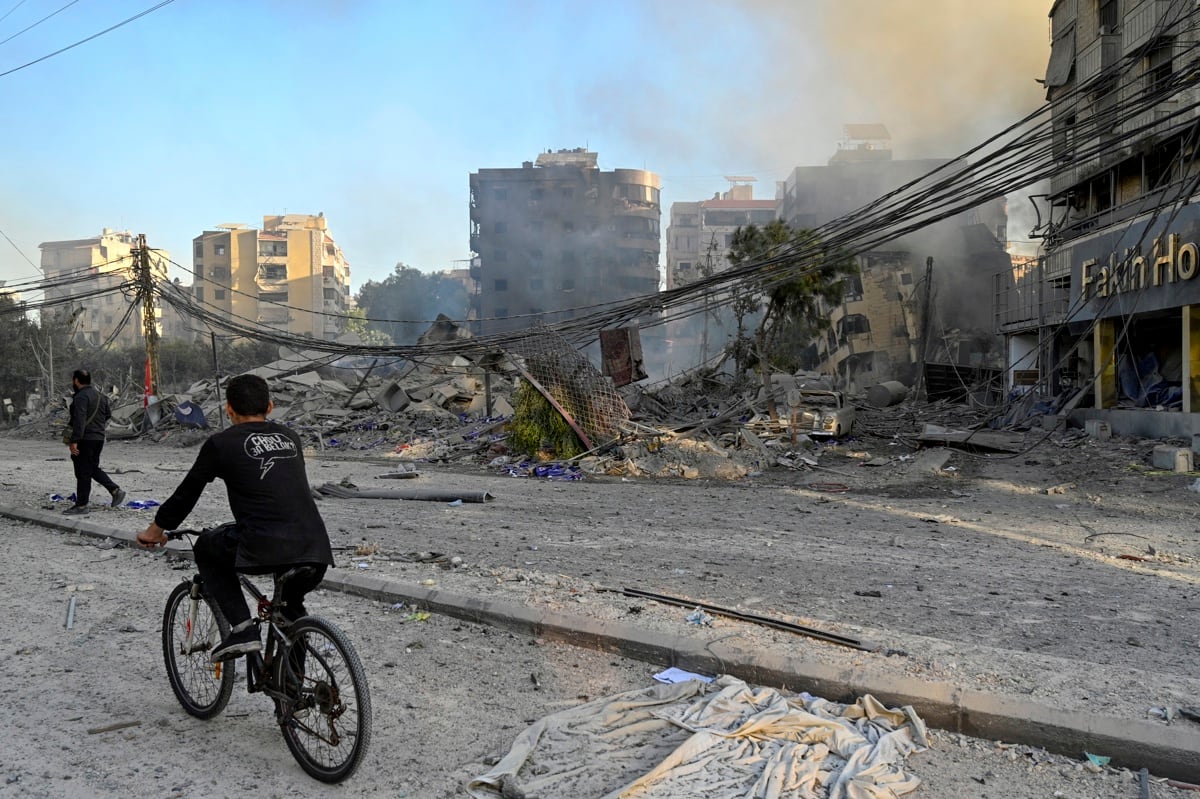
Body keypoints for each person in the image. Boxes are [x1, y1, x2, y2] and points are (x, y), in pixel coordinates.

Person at [137, 374, 333, 661]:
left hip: (264, 544)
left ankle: (242, 629)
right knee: (291, 611)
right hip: (315, 548)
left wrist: (156, 530)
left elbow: (186, 494)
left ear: (228, 409)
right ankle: (294, 699)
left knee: (206, 546)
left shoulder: (221, 444)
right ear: (270, 406)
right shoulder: (290, 437)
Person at [64, 369, 124, 515]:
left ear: (76, 380)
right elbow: (108, 414)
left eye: (73, 380)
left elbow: (79, 420)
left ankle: (82, 505)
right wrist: (96, 427)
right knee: (90, 468)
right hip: (98, 438)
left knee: (83, 471)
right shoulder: (101, 396)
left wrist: (74, 440)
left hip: (85, 439)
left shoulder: (80, 397)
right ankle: (115, 490)